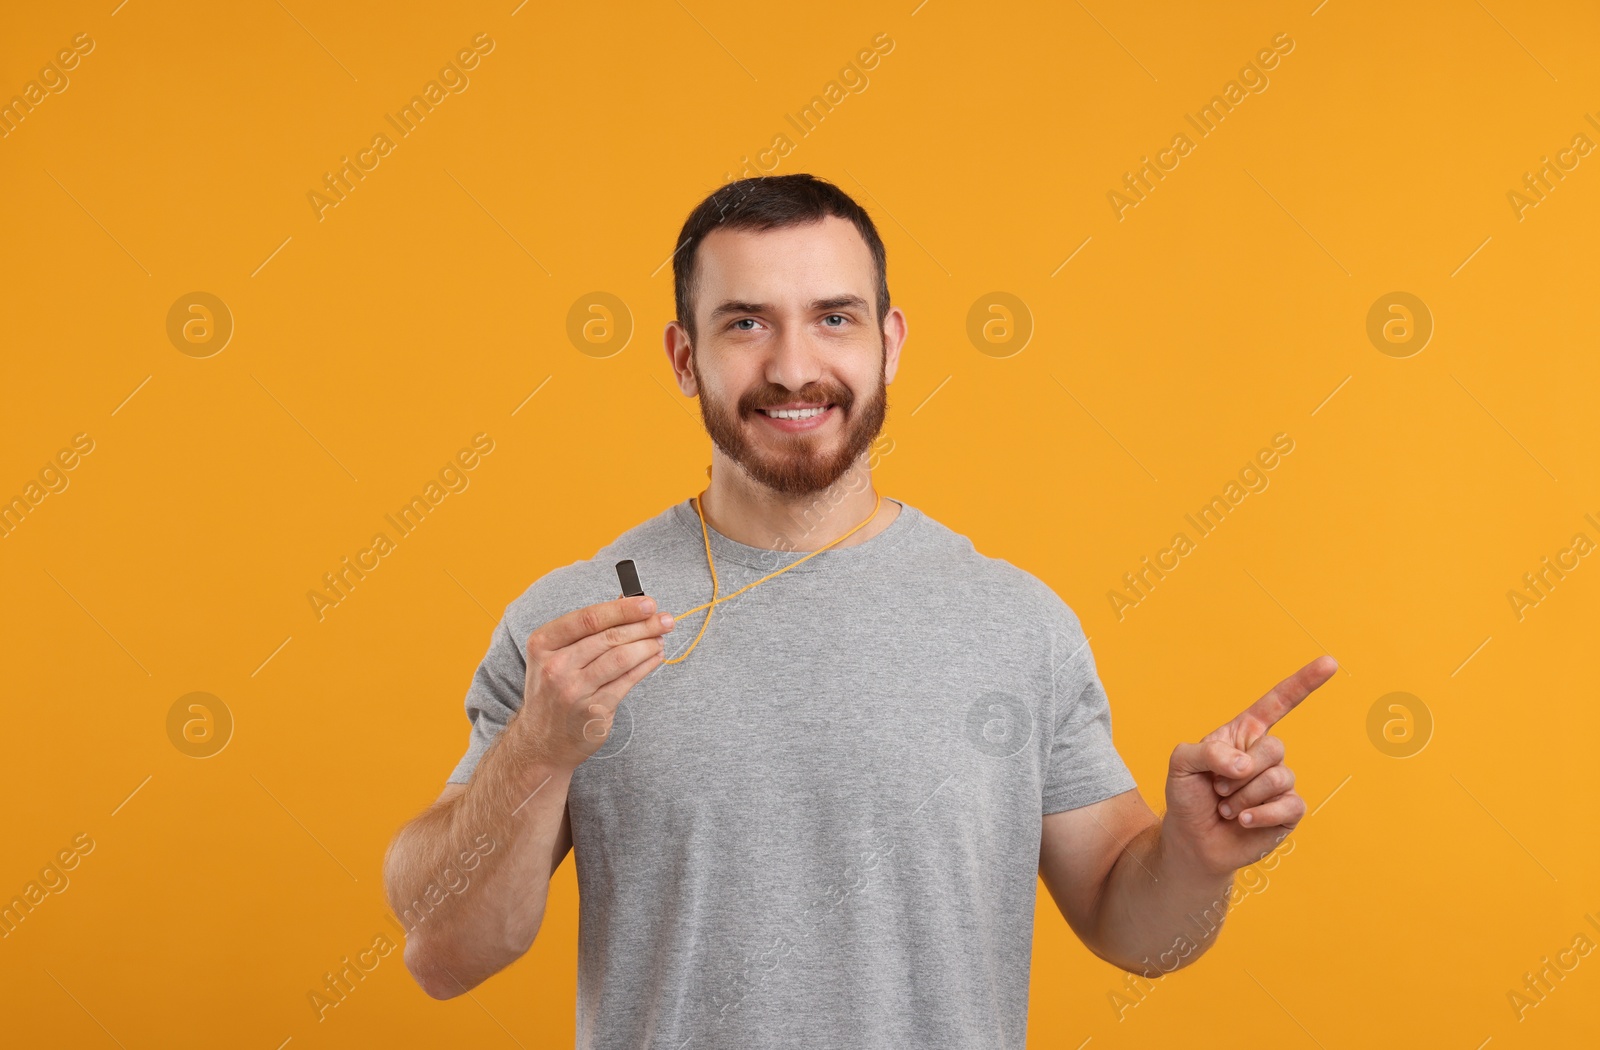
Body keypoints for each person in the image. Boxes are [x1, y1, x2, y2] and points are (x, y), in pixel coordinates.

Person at [381, 173, 1336, 1048]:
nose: (795, 368)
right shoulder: (572, 626)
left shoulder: (1014, 623)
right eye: (745, 323)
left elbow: (1145, 939)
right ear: (683, 357)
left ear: (890, 342)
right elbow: (446, 954)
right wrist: (538, 750)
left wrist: (1197, 861)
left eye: (834, 317)